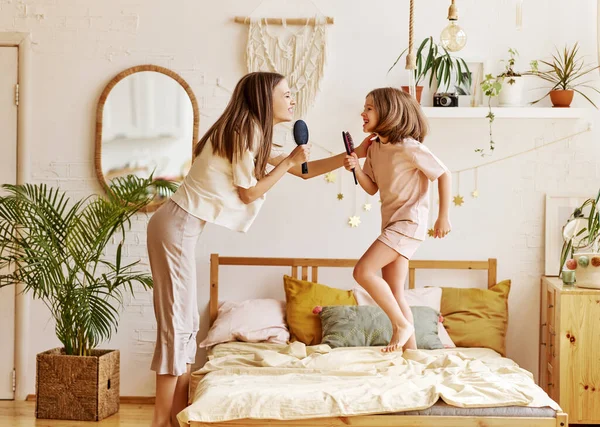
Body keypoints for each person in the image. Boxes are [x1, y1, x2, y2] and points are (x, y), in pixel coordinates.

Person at [147, 71, 372, 427]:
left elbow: (303, 170)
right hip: (175, 226)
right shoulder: (244, 130)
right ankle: (161, 422)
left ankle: (175, 417)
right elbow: (249, 193)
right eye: (286, 94)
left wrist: (353, 157)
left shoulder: (252, 131)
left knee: (187, 322)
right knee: (177, 324)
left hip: (179, 227)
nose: (292, 99)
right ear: (265, 99)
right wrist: (287, 161)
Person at [344, 87, 452, 353]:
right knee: (395, 291)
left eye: (369, 108)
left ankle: (401, 326)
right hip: (393, 225)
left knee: (362, 272)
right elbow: (372, 189)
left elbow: (444, 174)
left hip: (409, 223)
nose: (363, 112)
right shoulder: (375, 149)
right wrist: (357, 167)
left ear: (389, 113)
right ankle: (412, 356)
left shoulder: (410, 148)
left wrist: (443, 217)